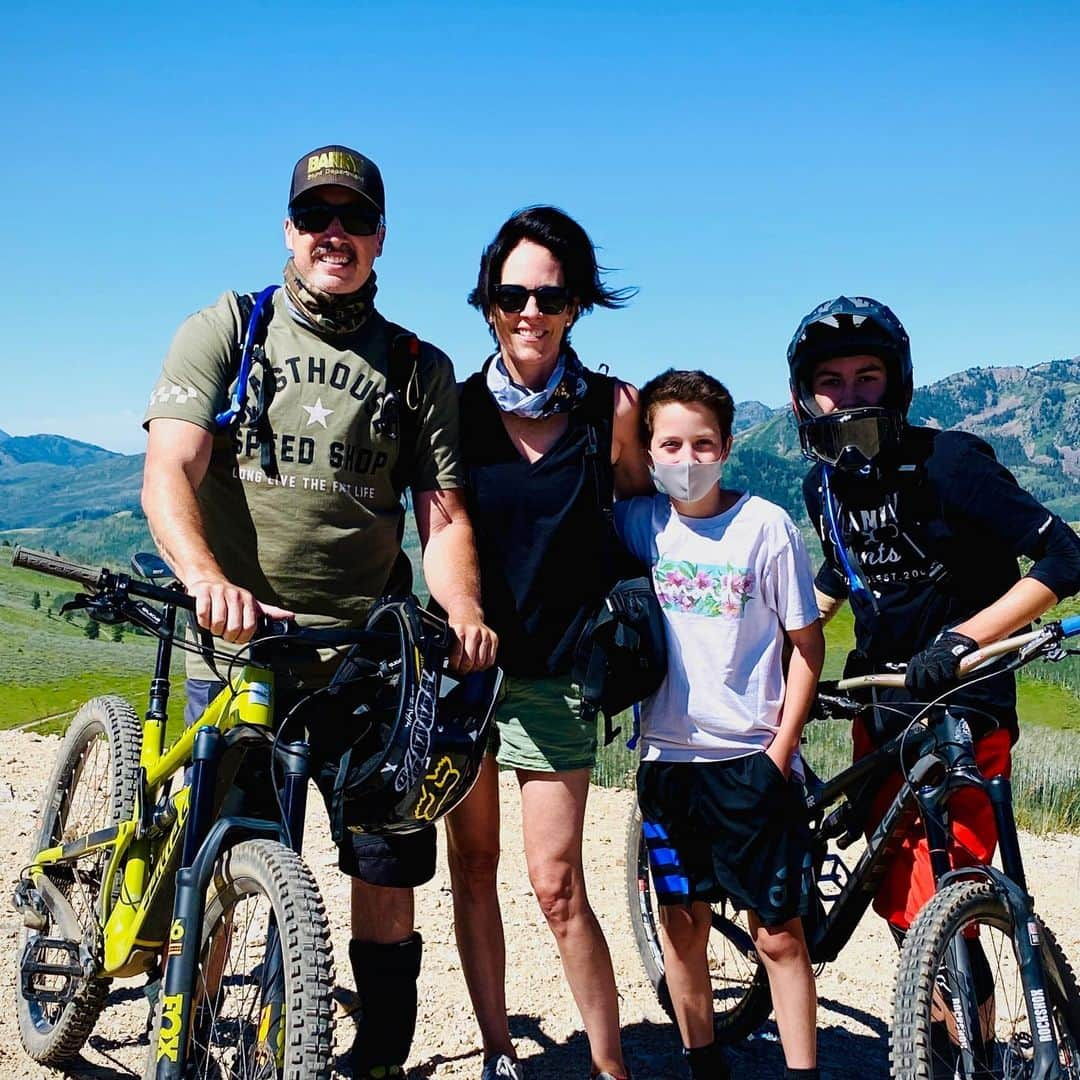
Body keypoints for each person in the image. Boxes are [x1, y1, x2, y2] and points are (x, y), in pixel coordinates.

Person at [141, 144, 497, 1080]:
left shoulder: (417, 365)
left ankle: (377, 1057)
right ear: (289, 230)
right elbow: (169, 468)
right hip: (240, 647)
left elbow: (443, 515)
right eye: (315, 217)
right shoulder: (229, 325)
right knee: (224, 857)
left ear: (381, 236)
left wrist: (459, 606)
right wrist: (205, 576)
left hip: (366, 653)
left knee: (385, 863)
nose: (333, 234)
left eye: (354, 218)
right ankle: (189, 1041)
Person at [789, 295, 1080, 1053]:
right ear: (804, 392)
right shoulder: (824, 486)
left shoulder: (949, 462)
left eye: (868, 376)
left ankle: (963, 1059)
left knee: (941, 889)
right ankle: (941, 1037)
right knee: (895, 892)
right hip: (882, 702)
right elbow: (839, 569)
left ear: (897, 383)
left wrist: (962, 638)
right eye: (832, 380)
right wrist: (784, 642)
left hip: (965, 703)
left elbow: (1064, 557)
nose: (850, 396)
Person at [445, 206, 652, 1080]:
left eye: (550, 294)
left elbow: (644, 523)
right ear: (489, 303)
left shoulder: (614, 408)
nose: (529, 310)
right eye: (512, 293)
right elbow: (437, 525)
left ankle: (610, 1068)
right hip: (463, 672)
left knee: (557, 882)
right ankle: (498, 1051)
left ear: (576, 306)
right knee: (471, 867)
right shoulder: (452, 411)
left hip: (560, 675)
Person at [616, 369, 824, 1080]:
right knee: (682, 923)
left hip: (747, 762)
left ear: (728, 446)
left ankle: (803, 1071)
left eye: (703, 443)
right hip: (668, 766)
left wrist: (779, 752)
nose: (687, 459)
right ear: (648, 452)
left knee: (779, 937)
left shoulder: (765, 526)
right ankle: (701, 1061)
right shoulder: (639, 524)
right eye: (669, 443)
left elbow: (808, 647)